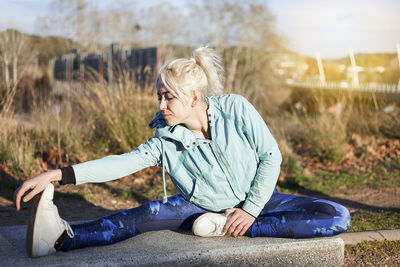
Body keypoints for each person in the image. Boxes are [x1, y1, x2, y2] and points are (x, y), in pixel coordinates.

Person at [14, 46, 350, 258]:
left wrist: (249, 211)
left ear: (193, 98)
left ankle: (236, 226)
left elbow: (270, 156)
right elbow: (122, 163)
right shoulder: (165, 137)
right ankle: (61, 238)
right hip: (197, 206)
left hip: (259, 200)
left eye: (168, 97)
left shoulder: (236, 108)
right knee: (141, 216)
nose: (160, 105)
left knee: (336, 216)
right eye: (159, 96)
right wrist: (59, 174)